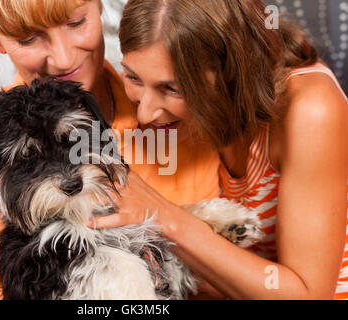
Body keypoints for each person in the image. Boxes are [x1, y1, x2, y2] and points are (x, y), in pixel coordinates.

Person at [0, 0, 219, 299]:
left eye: (76, 22)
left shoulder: (175, 122)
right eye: (28, 39)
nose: (64, 59)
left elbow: (209, 276)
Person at [88, 0, 348, 299]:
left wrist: (163, 216)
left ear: (234, 73)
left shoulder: (310, 108)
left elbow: (309, 296)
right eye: (133, 77)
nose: (145, 114)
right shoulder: (187, 116)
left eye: (173, 89)